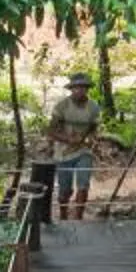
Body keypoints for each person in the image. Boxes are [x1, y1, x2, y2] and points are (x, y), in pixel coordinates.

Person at [43, 74, 104, 218]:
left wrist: (92, 139)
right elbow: (50, 131)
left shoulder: (93, 107)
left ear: (87, 89)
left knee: (83, 185)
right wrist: (68, 139)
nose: (80, 91)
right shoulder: (62, 106)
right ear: (72, 89)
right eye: (77, 88)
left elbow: (94, 128)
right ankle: (63, 214)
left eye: (83, 88)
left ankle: (78, 218)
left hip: (84, 151)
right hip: (63, 152)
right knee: (65, 190)